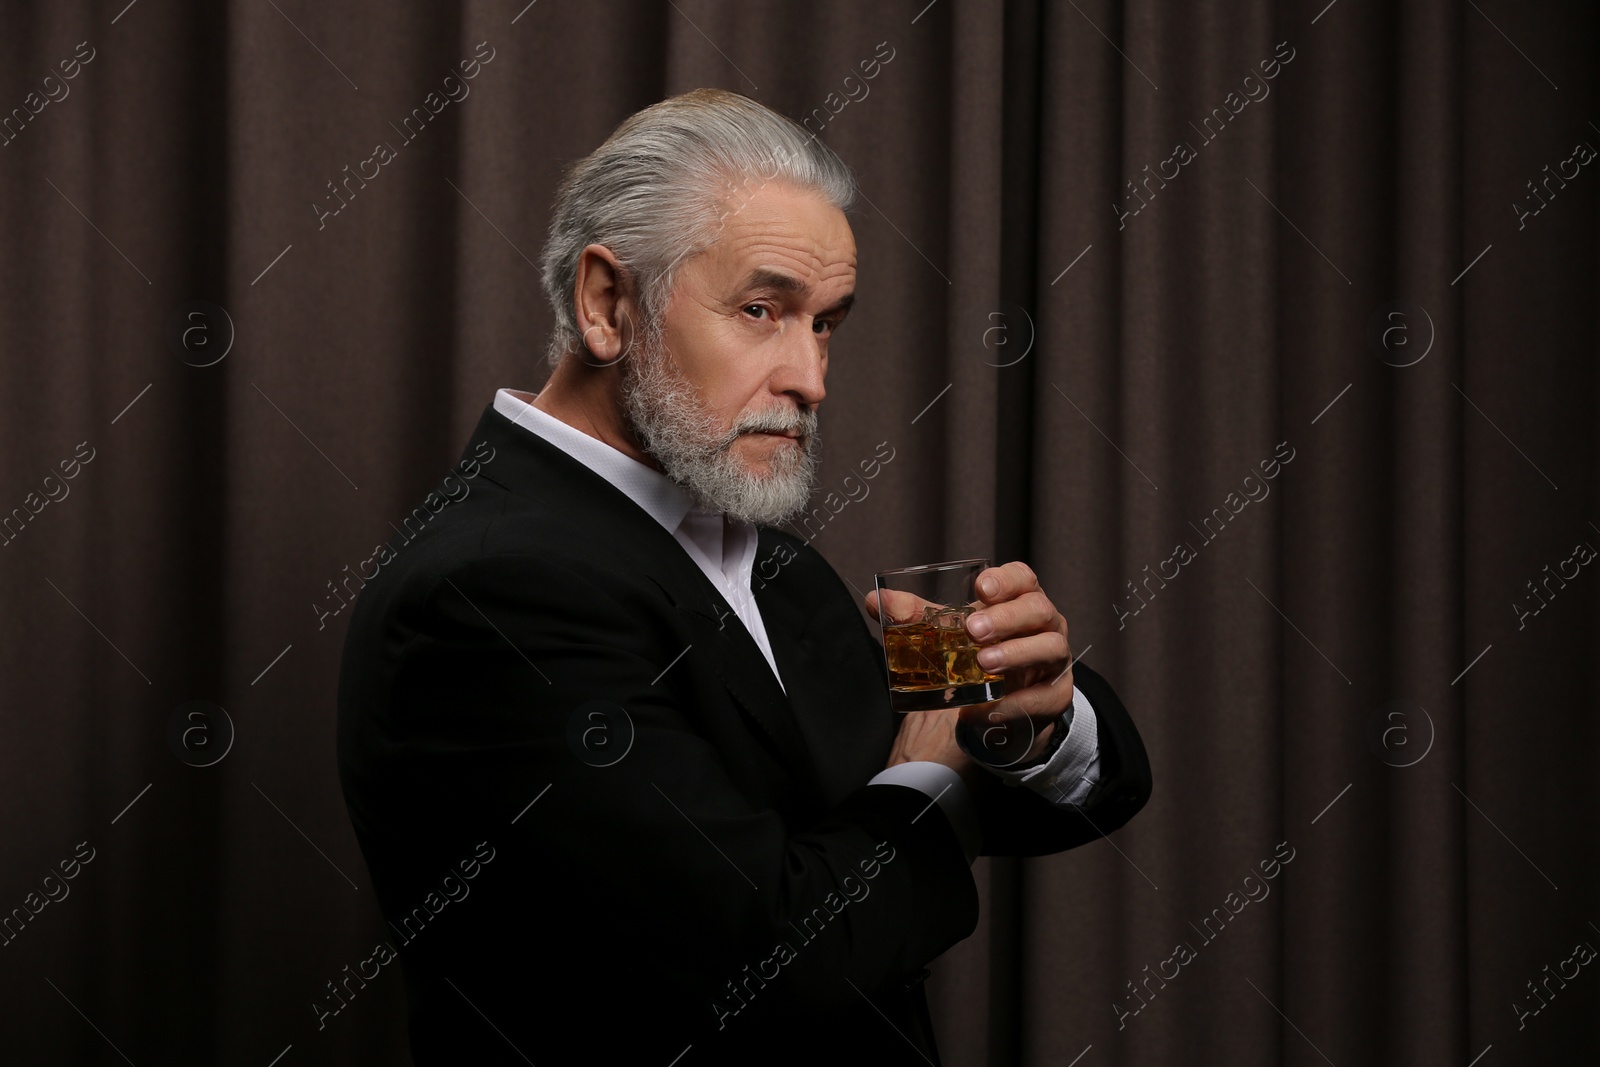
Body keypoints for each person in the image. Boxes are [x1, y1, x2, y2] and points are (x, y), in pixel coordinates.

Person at [336, 88, 1151, 1066]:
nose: (810, 377)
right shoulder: (491, 591)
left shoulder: (769, 559)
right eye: (762, 310)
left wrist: (1025, 712)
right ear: (606, 305)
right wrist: (935, 766)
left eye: (826, 325)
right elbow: (772, 962)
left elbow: (973, 809)